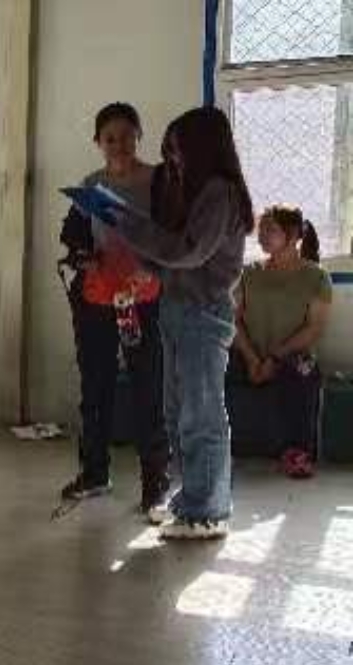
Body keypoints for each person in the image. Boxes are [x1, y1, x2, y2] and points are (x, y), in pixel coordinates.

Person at [102, 106, 254, 541]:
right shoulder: (197, 191)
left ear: (201, 148)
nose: (173, 160)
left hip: (202, 314)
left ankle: (207, 511)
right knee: (177, 412)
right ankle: (190, 499)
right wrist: (136, 245)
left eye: (177, 150)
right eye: (168, 152)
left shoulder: (220, 193)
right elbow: (172, 259)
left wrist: (129, 224)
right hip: (177, 308)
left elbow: (188, 251)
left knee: (201, 415)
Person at [59, 104, 170, 509]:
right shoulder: (91, 185)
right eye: (110, 138)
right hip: (99, 298)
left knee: (148, 388)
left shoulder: (159, 181)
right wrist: (83, 255)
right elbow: (73, 234)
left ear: (139, 136)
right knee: (95, 386)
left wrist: (152, 266)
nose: (119, 145)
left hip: (144, 298)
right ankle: (94, 473)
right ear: (98, 143)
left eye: (126, 136)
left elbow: (174, 236)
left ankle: (155, 480)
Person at [231, 205, 333, 478]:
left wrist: (275, 358)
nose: (262, 235)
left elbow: (314, 328)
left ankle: (297, 453)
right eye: (261, 228)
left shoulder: (317, 277)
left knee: (304, 370)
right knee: (212, 363)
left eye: (270, 229)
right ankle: (213, 446)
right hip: (250, 355)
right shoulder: (249, 273)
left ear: (293, 235)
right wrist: (253, 359)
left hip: (291, 357)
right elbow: (233, 320)